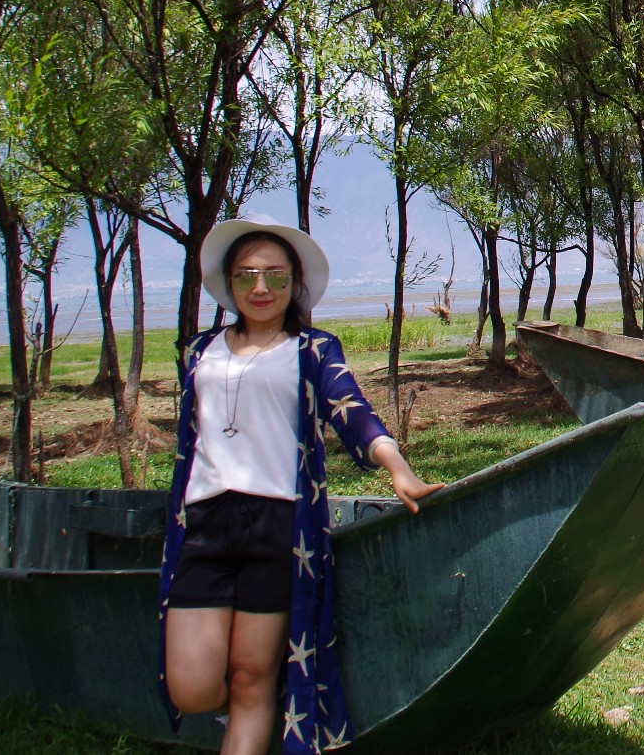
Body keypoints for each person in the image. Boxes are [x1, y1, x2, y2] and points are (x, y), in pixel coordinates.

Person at [157, 217, 442, 755]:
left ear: (295, 284)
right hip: (204, 526)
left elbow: (350, 409)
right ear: (229, 283)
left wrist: (397, 467)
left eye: (275, 276)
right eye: (246, 276)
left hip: (279, 528)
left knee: (251, 682)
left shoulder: (313, 349)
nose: (261, 288)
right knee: (191, 688)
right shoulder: (199, 351)